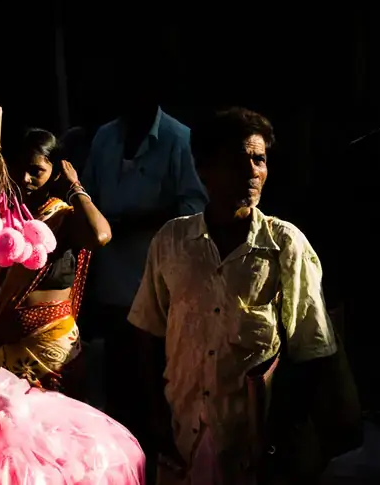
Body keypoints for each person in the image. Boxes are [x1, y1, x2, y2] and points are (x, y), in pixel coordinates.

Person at [129, 108, 361, 485]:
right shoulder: (171, 242)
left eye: (260, 160)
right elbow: (147, 331)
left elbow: (311, 349)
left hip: (255, 450)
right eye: (239, 159)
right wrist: (155, 421)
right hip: (184, 434)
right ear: (204, 170)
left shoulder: (285, 245)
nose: (253, 171)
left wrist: (282, 435)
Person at [81, 68, 207, 438]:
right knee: (120, 394)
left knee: (159, 388)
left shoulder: (178, 137)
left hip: (160, 288)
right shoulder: (106, 137)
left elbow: (195, 206)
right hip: (112, 288)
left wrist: (135, 221)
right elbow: (85, 194)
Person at [0, 129, 111, 397]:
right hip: (3, 351)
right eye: (18, 169)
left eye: (36, 171)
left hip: (48, 353)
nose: (24, 178)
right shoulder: (4, 217)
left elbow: (100, 235)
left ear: (56, 173)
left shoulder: (63, 217)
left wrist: (74, 187)